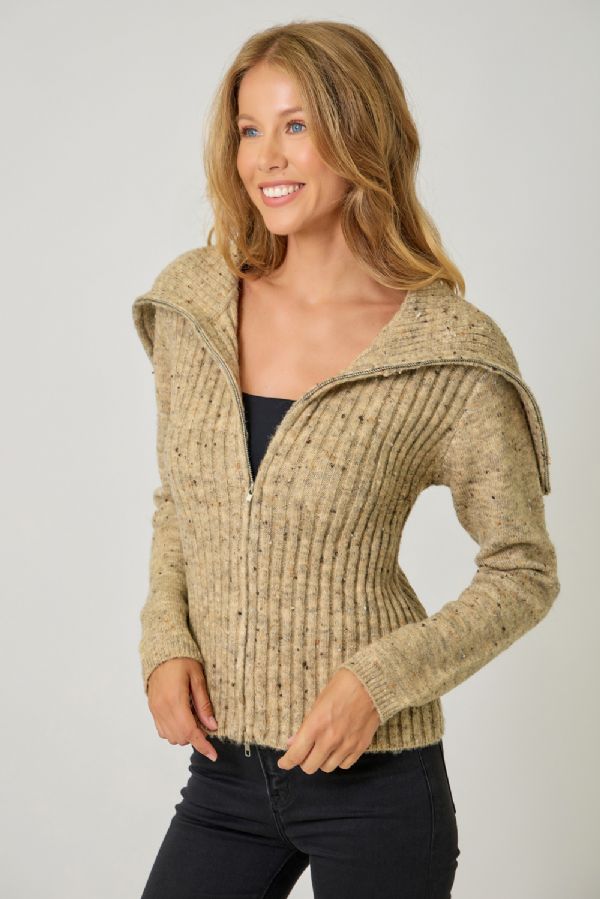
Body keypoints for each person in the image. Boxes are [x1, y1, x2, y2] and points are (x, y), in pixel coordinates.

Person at [131, 20, 560, 899]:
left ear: (359, 132)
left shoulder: (443, 351)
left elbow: (523, 571)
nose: (267, 157)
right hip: (223, 777)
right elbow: (184, 498)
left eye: (296, 125)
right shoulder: (193, 306)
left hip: (378, 789)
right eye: (250, 129)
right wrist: (164, 636)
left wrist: (378, 681)